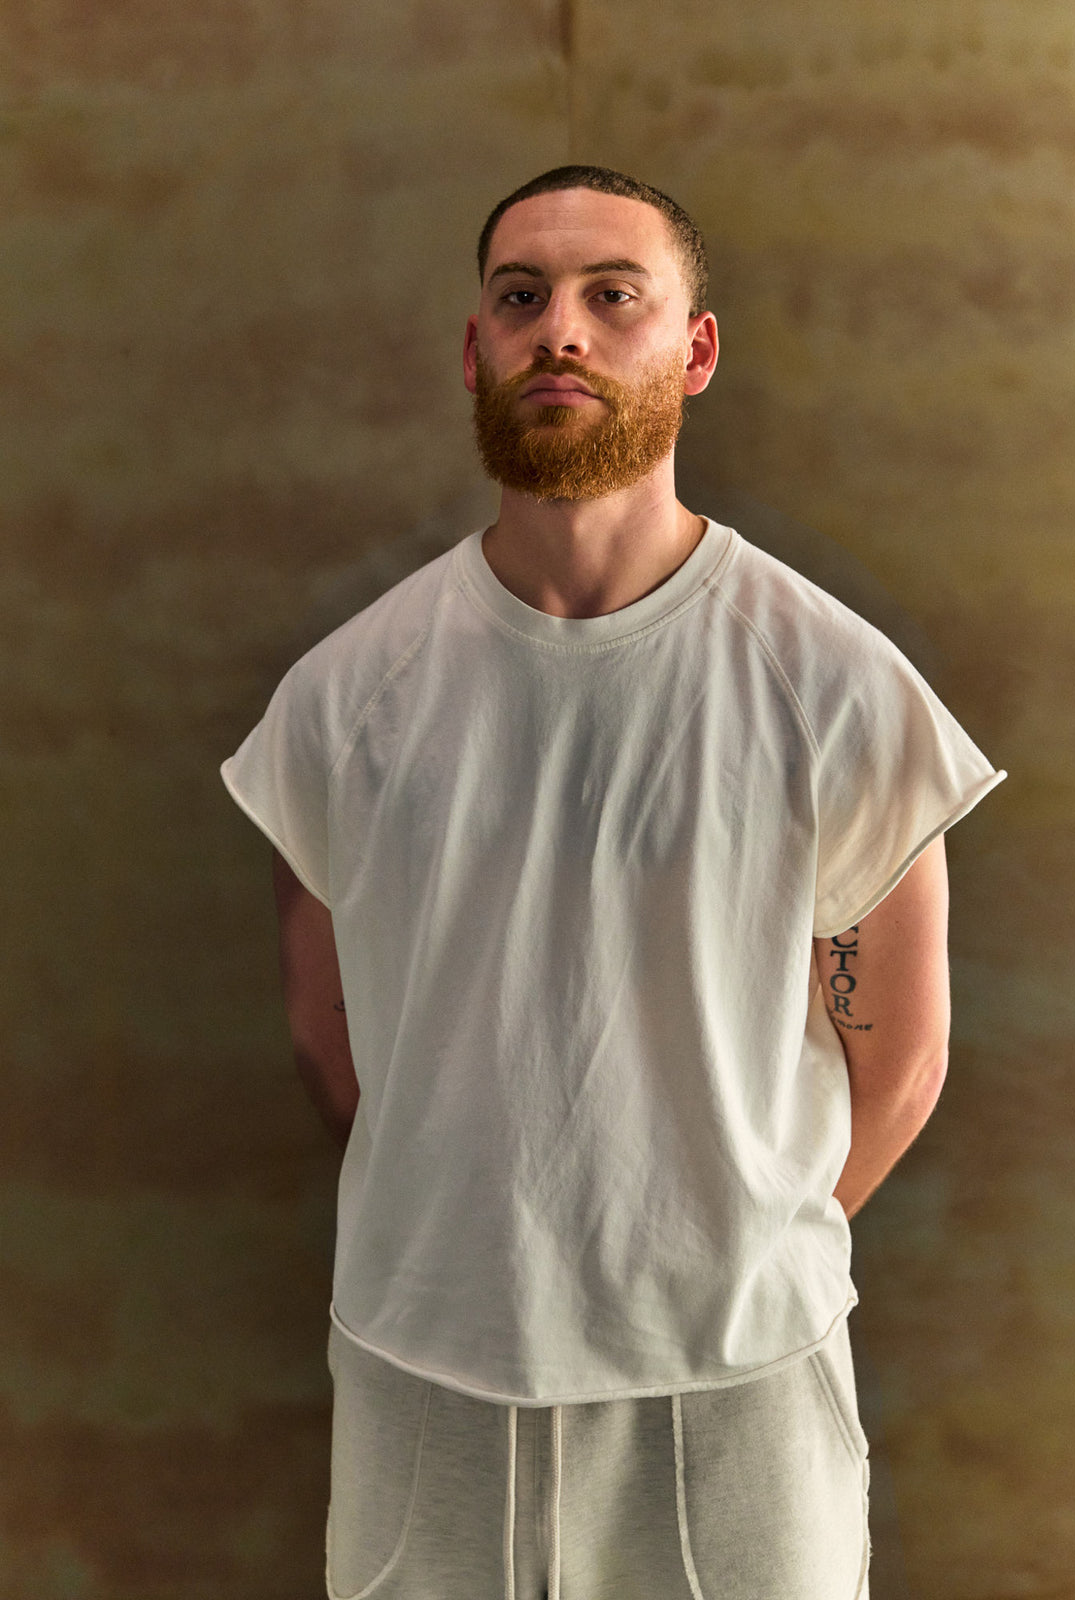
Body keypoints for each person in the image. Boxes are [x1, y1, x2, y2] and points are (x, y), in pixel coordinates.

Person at [221, 164, 1005, 1600]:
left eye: (611, 295)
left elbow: (904, 1054)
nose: (560, 332)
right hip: (424, 1372)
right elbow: (336, 1037)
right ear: (474, 350)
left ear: (693, 351)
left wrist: (719, 1240)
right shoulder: (346, 702)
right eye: (521, 298)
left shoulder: (833, 686)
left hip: (736, 1390)